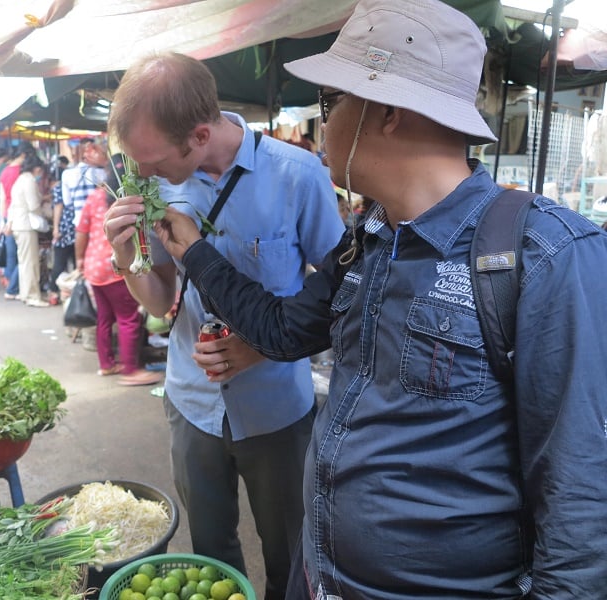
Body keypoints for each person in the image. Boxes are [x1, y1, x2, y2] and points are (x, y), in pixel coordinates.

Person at [148, 0, 607, 597]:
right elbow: (282, 331)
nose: (323, 127)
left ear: (386, 111)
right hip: (322, 577)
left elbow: (580, 501)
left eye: (330, 103)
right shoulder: (368, 239)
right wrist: (194, 252)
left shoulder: (545, 254)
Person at [103, 52, 344, 600]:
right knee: (209, 558)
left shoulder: (297, 175)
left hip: (276, 407)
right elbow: (161, 299)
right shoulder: (158, 185)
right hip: (192, 402)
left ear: (200, 135)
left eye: (154, 161)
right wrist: (127, 259)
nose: (145, 174)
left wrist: (263, 346)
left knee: (289, 551)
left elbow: (340, 297)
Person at [76, 154, 162, 386]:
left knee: (104, 317)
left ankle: (106, 365)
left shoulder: (95, 196)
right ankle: (131, 370)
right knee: (128, 319)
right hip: (116, 267)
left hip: (94, 267)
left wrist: (80, 260)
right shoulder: (132, 200)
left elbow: (81, 230)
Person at [52, 139, 108, 304]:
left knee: (81, 264)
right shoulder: (102, 174)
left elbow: (67, 203)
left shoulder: (67, 175)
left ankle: (83, 300)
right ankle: (96, 298)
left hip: (79, 226)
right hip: (99, 227)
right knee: (96, 262)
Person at [3, 153, 49, 307]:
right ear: (36, 168)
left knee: (24, 262)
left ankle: (25, 294)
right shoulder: (29, 181)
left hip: (18, 225)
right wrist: (44, 212)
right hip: (26, 226)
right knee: (31, 263)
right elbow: (33, 205)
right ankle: (32, 296)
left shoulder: (19, 180)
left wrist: (9, 223)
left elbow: (12, 205)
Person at [0, 142, 37, 300]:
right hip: (20, 217)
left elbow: (2, 198)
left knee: (12, 255)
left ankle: (11, 285)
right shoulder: (22, 173)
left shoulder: (4, 171)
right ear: (24, 155)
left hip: (8, 215)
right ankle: (13, 288)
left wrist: (3, 221)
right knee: (23, 257)